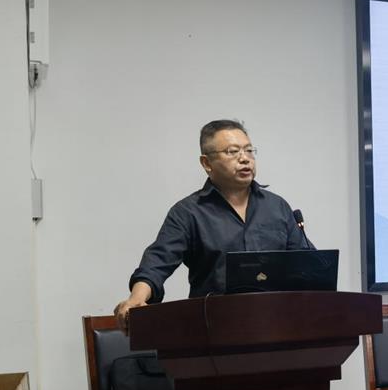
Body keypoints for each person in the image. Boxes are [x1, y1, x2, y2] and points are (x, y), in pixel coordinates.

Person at [114, 118, 313, 330]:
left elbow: (306, 264)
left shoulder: (277, 207)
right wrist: (137, 298)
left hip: (276, 326)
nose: (244, 159)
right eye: (232, 152)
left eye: (249, 150)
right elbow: (157, 262)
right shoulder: (188, 212)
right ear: (206, 163)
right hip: (213, 330)